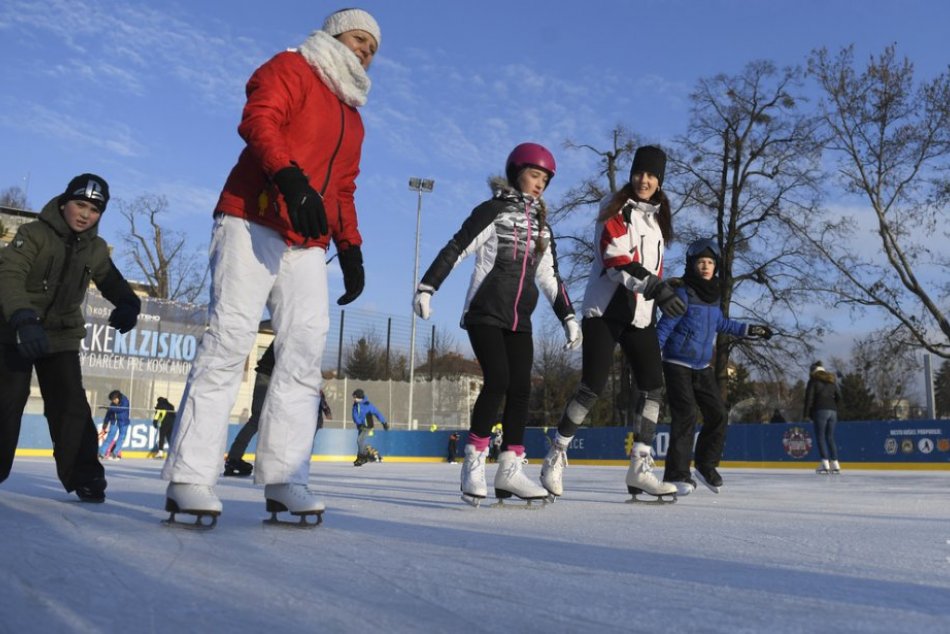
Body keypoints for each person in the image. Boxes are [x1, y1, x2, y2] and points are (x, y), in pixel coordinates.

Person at [161, 8, 381, 527]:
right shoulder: (291, 67)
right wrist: (288, 177)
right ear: (333, 36)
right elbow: (259, 120)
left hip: (306, 240)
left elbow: (343, 188)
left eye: (373, 48)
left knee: (304, 354)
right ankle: (190, 476)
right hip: (251, 217)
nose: (366, 51)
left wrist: (350, 246)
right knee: (229, 341)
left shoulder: (354, 117)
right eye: (358, 39)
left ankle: (285, 478)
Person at [413, 142, 582, 506]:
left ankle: (509, 469)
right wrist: (428, 287)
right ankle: (474, 459)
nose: (540, 184)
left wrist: (568, 316)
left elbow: (550, 277)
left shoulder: (542, 228)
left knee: (522, 387)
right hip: (485, 311)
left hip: (520, 319)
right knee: (499, 380)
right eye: (535, 175)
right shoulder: (492, 211)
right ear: (516, 172)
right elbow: (457, 247)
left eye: (545, 180)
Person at [540, 146, 685, 503]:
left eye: (652, 175)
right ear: (632, 174)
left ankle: (640, 466)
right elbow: (615, 260)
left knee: (653, 387)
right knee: (592, 385)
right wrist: (657, 289)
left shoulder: (657, 219)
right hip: (605, 310)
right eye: (639, 173)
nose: (644, 180)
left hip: (640, 315)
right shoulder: (613, 208)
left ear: (660, 181)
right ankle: (556, 453)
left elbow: (654, 267)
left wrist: (664, 291)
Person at [0, 174, 140, 503]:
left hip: (60, 335)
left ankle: (85, 476)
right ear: (64, 203)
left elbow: (112, 280)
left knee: (71, 405)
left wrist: (129, 303)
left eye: (94, 209)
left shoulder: (95, 249)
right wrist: (22, 317)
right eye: (80, 204)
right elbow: (9, 274)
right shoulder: (33, 234)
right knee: (7, 400)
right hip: (13, 330)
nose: (85, 214)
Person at [655, 238, 774, 495]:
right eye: (701, 262)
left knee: (718, 413)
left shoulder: (713, 296)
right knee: (686, 415)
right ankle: (677, 475)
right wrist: (652, 358)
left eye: (710, 262)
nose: (706, 267)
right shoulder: (684, 292)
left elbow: (722, 324)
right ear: (692, 264)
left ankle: (706, 465)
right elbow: (664, 327)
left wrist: (751, 329)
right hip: (676, 363)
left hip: (701, 366)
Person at [224, 342, 332, 477]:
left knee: (261, 419)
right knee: (263, 419)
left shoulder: (293, 332)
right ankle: (238, 459)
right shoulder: (298, 334)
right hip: (273, 377)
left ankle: (235, 458)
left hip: (272, 376)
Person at [803, 361, 841, 474]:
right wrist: (833, 406)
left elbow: (808, 399)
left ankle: (825, 464)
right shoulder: (831, 381)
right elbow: (839, 396)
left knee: (820, 437)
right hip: (833, 412)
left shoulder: (813, 381)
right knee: (830, 437)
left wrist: (806, 414)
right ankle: (835, 463)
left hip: (820, 411)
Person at [351, 389, 387, 466]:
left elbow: (377, 413)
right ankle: (362, 456)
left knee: (359, 440)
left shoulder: (368, 405)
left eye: (355, 397)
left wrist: (384, 422)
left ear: (360, 397)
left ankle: (363, 456)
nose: (353, 399)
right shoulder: (355, 405)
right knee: (360, 442)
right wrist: (359, 423)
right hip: (360, 426)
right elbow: (355, 416)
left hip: (367, 426)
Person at [99, 390, 131, 460]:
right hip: (114, 422)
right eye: (112, 400)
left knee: (121, 437)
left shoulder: (125, 401)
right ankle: (101, 453)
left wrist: (108, 408)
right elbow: (109, 413)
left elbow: (120, 410)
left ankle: (115, 453)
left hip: (123, 422)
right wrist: (105, 422)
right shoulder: (112, 404)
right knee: (110, 437)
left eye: (114, 400)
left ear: (118, 397)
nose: (114, 401)